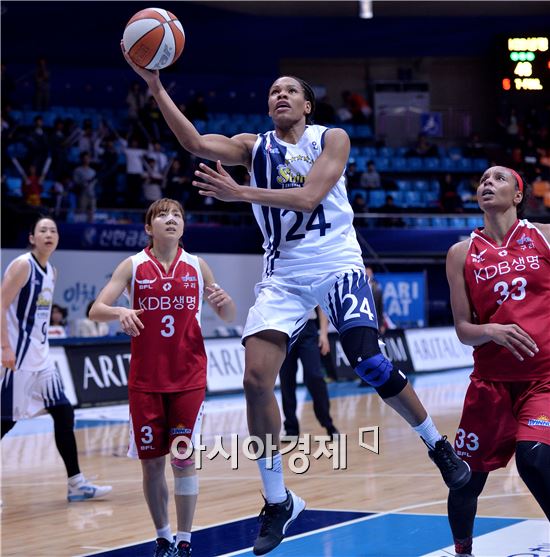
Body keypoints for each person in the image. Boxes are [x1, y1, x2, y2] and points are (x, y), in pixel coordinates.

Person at [123, 48, 470, 555]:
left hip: (336, 263)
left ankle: (437, 445)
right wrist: (155, 87)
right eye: (272, 92)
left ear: (307, 105)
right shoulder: (253, 146)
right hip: (282, 276)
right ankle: (278, 498)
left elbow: (309, 197)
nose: (279, 95)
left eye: (289, 90)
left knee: (369, 360)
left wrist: (241, 196)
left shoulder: (331, 138)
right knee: (254, 379)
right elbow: (195, 141)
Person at [90, 198, 236, 557]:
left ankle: (185, 542)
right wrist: (120, 311)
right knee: (152, 464)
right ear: (148, 227)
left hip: (189, 378)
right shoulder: (133, 265)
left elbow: (229, 315)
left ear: (183, 226)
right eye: (163, 215)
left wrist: (225, 301)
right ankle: (163, 537)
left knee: (183, 459)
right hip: (146, 381)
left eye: (178, 216)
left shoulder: (198, 266)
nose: (171, 220)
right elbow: (96, 310)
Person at [445, 166, 550, 557]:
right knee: (464, 482)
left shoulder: (544, 236)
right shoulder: (460, 254)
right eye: (483, 180)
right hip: (489, 385)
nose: (487, 183)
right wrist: (490, 330)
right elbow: (462, 328)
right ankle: (463, 551)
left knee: (534, 458)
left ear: (519, 196)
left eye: (499, 178)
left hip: (542, 380)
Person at [1, 216, 112, 502]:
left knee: (63, 412)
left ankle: (76, 482)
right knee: (5, 422)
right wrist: (4, 347)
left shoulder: (52, 271)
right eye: (43, 230)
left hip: (42, 359)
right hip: (18, 358)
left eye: (53, 230)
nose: (49, 234)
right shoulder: (22, 265)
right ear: (31, 237)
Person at [279, 307, 339, 440]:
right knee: (286, 380)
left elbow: (320, 305)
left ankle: (328, 424)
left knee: (315, 377)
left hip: (308, 328)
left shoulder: (310, 284)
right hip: (284, 328)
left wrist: (323, 334)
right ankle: (291, 429)